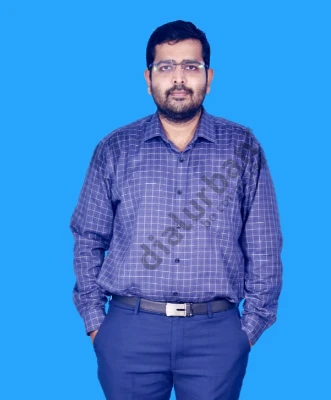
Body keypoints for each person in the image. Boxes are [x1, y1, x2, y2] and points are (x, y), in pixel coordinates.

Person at [70, 20, 283, 400]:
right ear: (149, 77)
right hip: (129, 331)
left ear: (209, 77)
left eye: (191, 66)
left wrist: (248, 329)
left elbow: (264, 243)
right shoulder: (115, 148)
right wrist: (97, 324)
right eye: (166, 67)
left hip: (216, 334)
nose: (179, 78)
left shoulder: (243, 146)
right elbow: (88, 237)